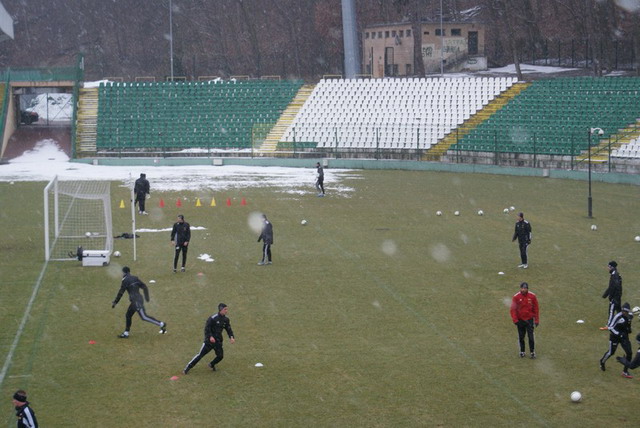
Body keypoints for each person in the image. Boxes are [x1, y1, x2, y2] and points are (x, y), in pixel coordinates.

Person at [112, 266, 167, 338]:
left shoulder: (125, 281)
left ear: (124, 272)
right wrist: (147, 297)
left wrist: (115, 302)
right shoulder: (135, 278)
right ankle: (126, 333)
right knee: (128, 315)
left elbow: (121, 293)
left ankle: (161, 324)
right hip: (137, 300)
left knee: (144, 317)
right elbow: (144, 286)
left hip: (136, 301)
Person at [183, 303, 235, 374]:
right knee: (200, 355)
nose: (226, 311)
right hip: (209, 342)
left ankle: (211, 364)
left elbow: (228, 329)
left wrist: (231, 337)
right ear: (220, 310)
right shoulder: (213, 318)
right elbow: (207, 329)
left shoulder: (226, 319)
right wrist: (210, 337)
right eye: (225, 309)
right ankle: (188, 367)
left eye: (226, 309)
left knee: (220, 356)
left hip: (218, 341)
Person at [600, 302, 633, 376]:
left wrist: (629, 324)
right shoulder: (618, 316)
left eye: (626, 311)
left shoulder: (629, 316)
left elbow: (628, 328)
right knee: (611, 352)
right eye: (623, 311)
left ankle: (625, 371)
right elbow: (610, 327)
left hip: (624, 337)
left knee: (629, 353)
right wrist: (619, 334)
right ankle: (602, 361)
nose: (624, 313)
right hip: (615, 337)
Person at [510, 282, 539, 359]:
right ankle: (522, 351)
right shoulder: (516, 297)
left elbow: (536, 308)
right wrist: (515, 320)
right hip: (520, 320)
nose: (523, 289)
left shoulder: (532, 296)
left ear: (527, 289)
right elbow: (513, 309)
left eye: (525, 288)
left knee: (531, 337)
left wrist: (536, 320)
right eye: (522, 288)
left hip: (529, 320)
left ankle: (532, 352)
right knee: (521, 337)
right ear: (520, 288)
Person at [601, 261, 622, 328]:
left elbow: (614, 287)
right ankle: (623, 321)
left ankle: (609, 325)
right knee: (618, 310)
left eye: (609, 267)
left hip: (615, 297)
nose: (608, 268)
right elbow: (612, 287)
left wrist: (612, 296)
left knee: (611, 311)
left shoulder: (614, 276)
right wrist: (605, 295)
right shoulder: (615, 274)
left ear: (612, 267)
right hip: (617, 296)